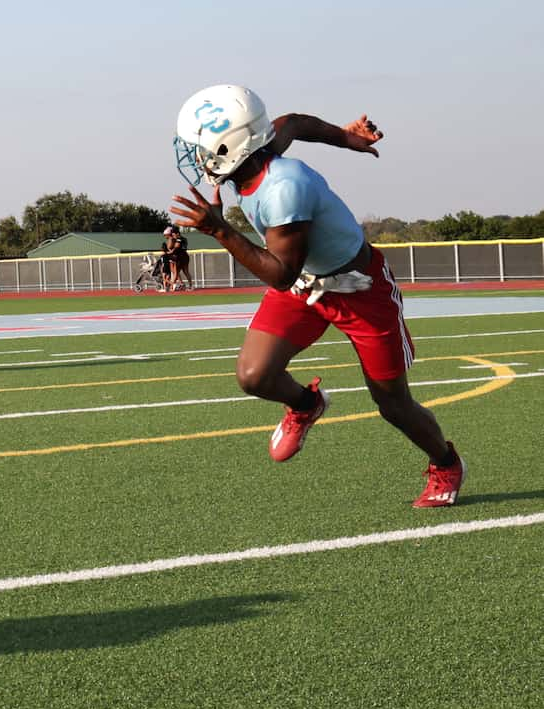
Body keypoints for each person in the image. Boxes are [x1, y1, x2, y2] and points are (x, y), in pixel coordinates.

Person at [169, 85, 460, 507]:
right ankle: (306, 404)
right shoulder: (257, 152)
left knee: (393, 404)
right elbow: (295, 124)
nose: (195, 157)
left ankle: (445, 461)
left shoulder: (284, 187)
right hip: (309, 281)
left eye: (200, 148)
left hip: (356, 290)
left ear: (228, 148)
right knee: (255, 375)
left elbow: (281, 275)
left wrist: (220, 231)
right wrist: (347, 137)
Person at [158, 221, 193, 293]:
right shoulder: (183, 238)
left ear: (177, 233)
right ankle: (188, 285)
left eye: (173, 234)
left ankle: (172, 286)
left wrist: (167, 253)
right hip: (184, 256)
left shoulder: (179, 239)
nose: (173, 236)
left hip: (180, 257)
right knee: (183, 272)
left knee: (177, 272)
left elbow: (176, 248)